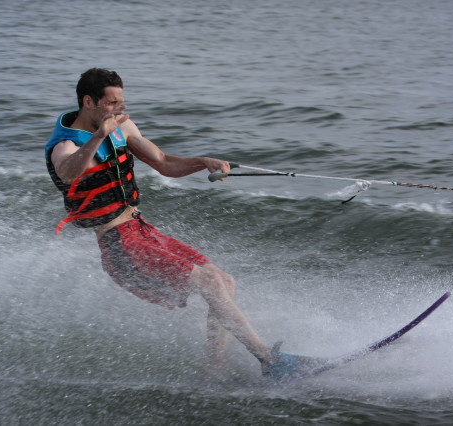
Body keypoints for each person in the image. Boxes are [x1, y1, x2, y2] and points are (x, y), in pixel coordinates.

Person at [44, 68, 298, 379]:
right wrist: (99, 136)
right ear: (88, 102)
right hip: (119, 245)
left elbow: (163, 163)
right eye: (111, 103)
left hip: (141, 230)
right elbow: (68, 173)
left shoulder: (122, 127)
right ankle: (270, 361)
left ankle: (214, 371)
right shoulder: (65, 145)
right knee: (210, 283)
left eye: (120, 102)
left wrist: (203, 162)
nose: (118, 110)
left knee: (224, 281)